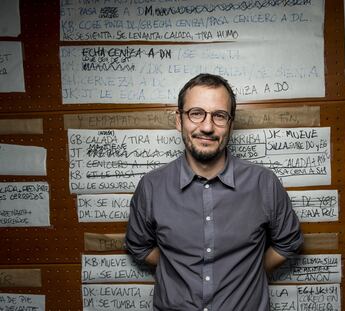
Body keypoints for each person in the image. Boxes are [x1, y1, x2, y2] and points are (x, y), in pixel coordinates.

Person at [126, 73, 303, 310]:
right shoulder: (151, 187)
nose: (207, 127)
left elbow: (288, 243)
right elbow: (139, 246)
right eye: (196, 113)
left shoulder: (264, 183)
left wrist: (246, 272)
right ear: (179, 120)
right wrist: (177, 267)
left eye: (219, 116)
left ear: (231, 123)